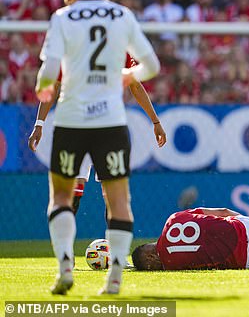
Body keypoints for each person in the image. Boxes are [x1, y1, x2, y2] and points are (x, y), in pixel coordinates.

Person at [35, 0, 160, 295]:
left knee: (60, 197)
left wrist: (43, 91)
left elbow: (48, 73)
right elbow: (151, 66)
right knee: (119, 199)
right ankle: (115, 277)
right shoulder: (121, 15)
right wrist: (124, 76)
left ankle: (64, 268)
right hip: (111, 122)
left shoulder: (62, 17)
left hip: (72, 121)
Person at [28, 55, 167, 215]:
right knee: (112, 197)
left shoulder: (73, 41)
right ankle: (114, 239)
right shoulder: (118, 41)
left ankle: (63, 240)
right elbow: (136, 84)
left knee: (73, 196)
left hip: (79, 126)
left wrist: (39, 124)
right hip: (105, 126)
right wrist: (155, 122)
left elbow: (54, 86)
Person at [131, 207, 249, 270]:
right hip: (248, 225)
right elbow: (224, 211)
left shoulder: (170, 266)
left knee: (225, 259)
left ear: (150, 256)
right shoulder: (173, 218)